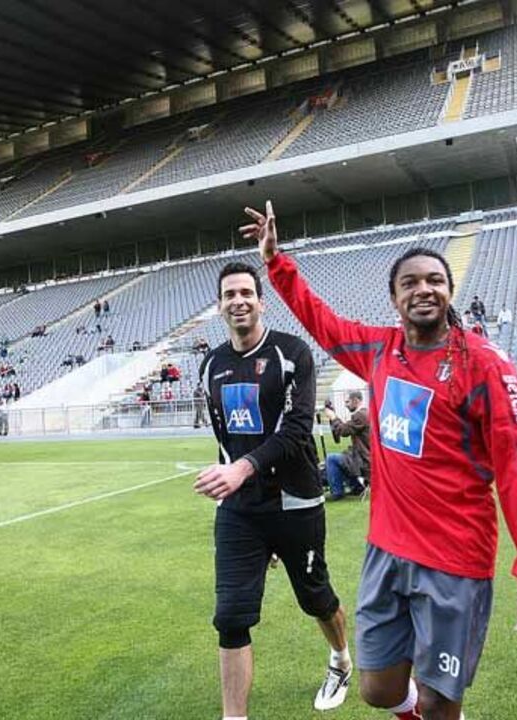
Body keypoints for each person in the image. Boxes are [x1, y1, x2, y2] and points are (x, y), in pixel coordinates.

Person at [241, 201, 517, 720]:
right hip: (387, 552)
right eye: (410, 282)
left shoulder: (483, 365)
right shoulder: (379, 350)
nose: (424, 289)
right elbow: (321, 322)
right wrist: (276, 262)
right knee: (377, 689)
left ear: (449, 291)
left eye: (435, 280)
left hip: (455, 561)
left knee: (441, 705)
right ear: (394, 297)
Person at [194, 261, 353, 719]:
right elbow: (225, 437)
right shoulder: (211, 365)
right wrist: (232, 476)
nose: (238, 300)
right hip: (241, 508)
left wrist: (243, 468)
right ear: (221, 305)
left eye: (246, 292)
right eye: (229, 294)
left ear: (261, 301)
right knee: (231, 618)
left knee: (316, 598)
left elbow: (299, 429)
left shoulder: (291, 353)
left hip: (296, 502)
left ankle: (341, 659)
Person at [321, 391, 370, 500]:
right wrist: (333, 418)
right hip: (363, 457)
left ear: (356, 401)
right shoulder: (364, 414)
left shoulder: (360, 415)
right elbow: (342, 431)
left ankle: (337, 492)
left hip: (364, 460)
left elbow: (343, 431)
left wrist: (333, 417)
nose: (345, 405)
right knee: (344, 457)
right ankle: (356, 487)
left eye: (347, 402)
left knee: (331, 458)